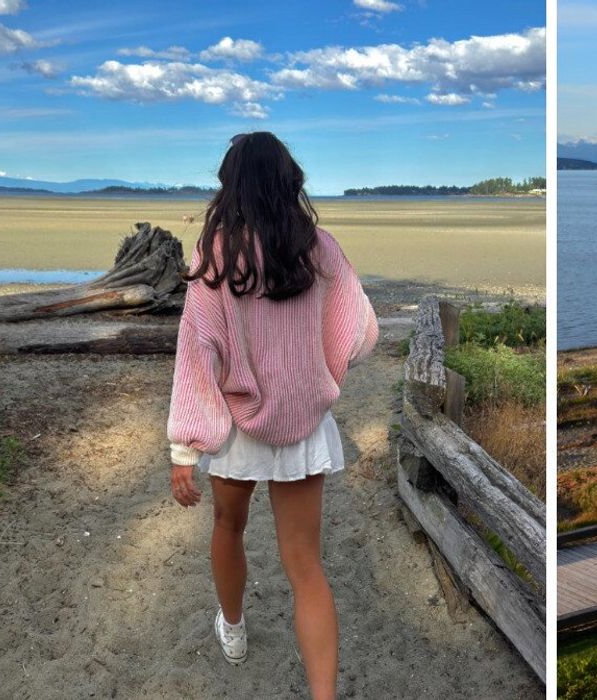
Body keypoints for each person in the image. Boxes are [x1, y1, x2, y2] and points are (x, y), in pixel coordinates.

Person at [166, 131, 378, 699]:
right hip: (303, 427)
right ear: (290, 182)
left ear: (230, 185)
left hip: (238, 429)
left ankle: (233, 628)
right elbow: (360, 334)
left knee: (227, 527)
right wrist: (313, 367)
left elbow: (197, 349)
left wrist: (185, 447)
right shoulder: (320, 248)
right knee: (306, 565)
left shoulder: (216, 253)